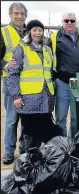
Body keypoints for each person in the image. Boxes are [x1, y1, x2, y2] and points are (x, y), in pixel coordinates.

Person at [7, 20, 60, 152]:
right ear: (29, 32)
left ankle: (42, 160)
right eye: (34, 30)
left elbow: (50, 72)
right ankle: (27, 159)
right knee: (29, 131)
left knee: (45, 130)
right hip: (29, 99)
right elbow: (13, 74)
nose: (37, 33)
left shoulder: (47, 49)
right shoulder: (21, 49)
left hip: (46, 98)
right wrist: (16, 96)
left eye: (40, 30)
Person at [47, 12, 79, 138]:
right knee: (61, 117)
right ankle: (62, 144)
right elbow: (47, 59)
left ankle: (73, 143)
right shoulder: (54, 38)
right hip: (62, 83)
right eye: (66, 20)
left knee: (77, 117)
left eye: (72, 21)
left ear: (75, 23)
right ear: (62, 22)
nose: (69, 23)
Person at [1, 2, 27, 164]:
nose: (19, 16)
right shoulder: (3, 32)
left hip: (28, 85)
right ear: (10, 15)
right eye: (16, 13)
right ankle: (9, 151)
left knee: (26, 120)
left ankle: (24, 149)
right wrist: (4, 65)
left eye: (22, 14)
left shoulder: (30, 32)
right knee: (11, 119)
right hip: (11, 84)